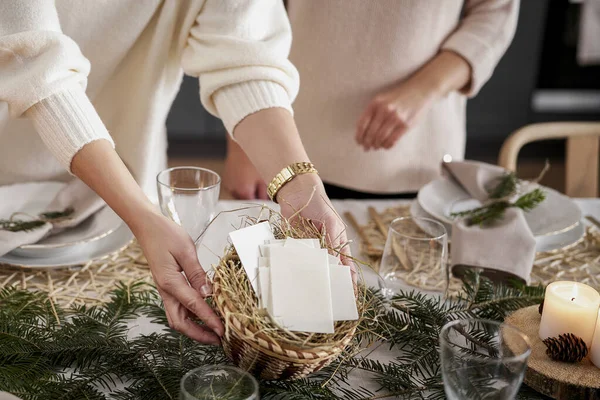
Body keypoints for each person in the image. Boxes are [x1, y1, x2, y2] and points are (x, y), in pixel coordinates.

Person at [0, 1, 347, 345]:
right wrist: (143, 216)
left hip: (127, 191)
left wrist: (300, 184)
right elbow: (32, 63)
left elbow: (245, 56)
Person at [223, 0, 520, 200]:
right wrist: (244, 141)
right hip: (284, 143)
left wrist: (423, 89)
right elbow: (250, 13)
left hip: (412, 155)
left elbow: (494, 14)